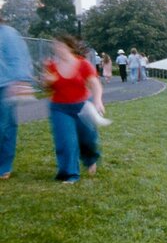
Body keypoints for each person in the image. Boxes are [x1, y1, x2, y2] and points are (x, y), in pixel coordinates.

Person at [42, 35, 105, 183]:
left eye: (60, 46)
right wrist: (47, 82)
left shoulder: (83, 64)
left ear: (69, 47)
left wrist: (97, 100)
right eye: (55, 46)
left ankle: (90, 160)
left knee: (88, 138)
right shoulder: (51, 66)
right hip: (60, 108)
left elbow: (95, 84)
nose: (57, 49)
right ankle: (70, 174)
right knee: (66, 141)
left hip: (82, 106)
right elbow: (45, 87)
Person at [0, 17, 33, 179]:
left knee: (4, 127)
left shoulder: (9, 34)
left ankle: (4, 166)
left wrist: (20, 81)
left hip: (5, 85)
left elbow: (19, 59)